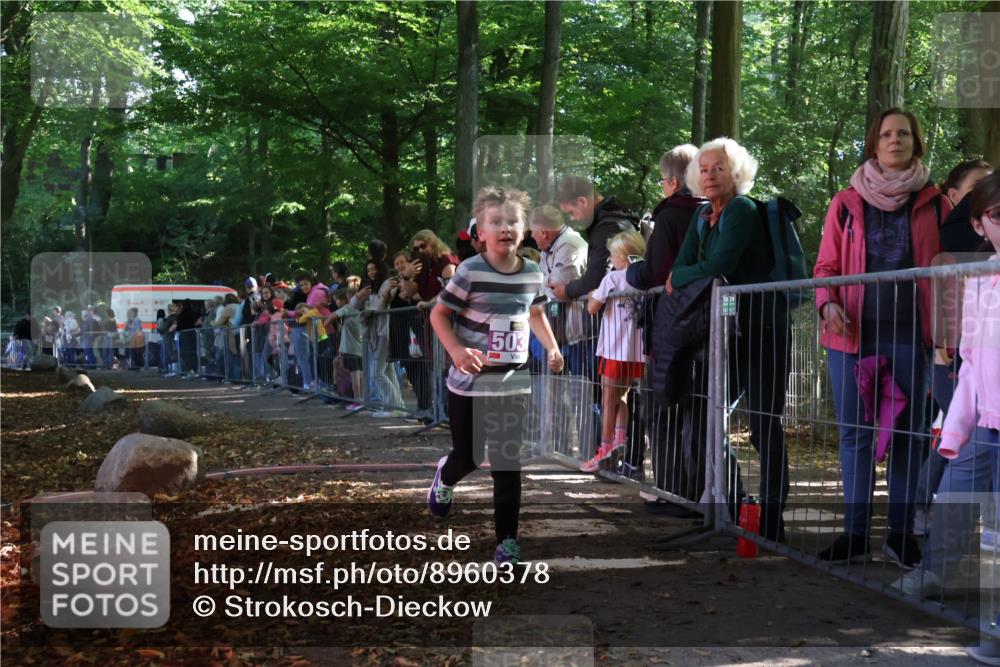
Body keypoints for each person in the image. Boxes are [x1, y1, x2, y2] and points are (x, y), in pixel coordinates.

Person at [813, 108, 951, 567]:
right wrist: (827, 304)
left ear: (917, 142)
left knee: (910, 435)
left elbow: (952, 272)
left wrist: (950, 334)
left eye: (904, 134)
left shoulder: (935, 203)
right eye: (887, 134)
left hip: (914, 337)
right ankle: (854, 534)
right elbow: (826, 268)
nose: (895, 140)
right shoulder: (846, 202)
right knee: (854, 434)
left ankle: (899, 535)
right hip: (852, 337)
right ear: (874, 144)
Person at [892, 176, 1000, 667]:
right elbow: (974, 364)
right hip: (984, 421)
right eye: (998, 216)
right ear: (979, 224)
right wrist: (954, 431)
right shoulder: (980, 282)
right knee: (955, 493)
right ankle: (935, 572)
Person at [426, 185, 564, 565]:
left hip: (512, 383)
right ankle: (446, 477)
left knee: (506, 463)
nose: (505, 228)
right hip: (469, 384)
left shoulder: (533, 272)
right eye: (495, 222)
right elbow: (439, 314)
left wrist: (552, 348)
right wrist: (456, 351)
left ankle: (507, 545)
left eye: (513, 221)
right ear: (480, 233)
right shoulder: (470, 271)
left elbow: (534, 314)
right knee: (468, 457)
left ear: (525, 229)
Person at [668, 137, 790, 542]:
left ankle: (772, 520)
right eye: (703, 169)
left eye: (718, 167)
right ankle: (736, 506)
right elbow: (685, 264)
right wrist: (685, 273)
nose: (709, 175)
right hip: (726, 334)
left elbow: (714, 266)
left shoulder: (741, 209)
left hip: (762, 329)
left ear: (735, 172)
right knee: (706, 416)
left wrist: (681, 276)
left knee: (763, 425)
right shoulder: (704, 216)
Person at [913, 158, 992, 535]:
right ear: (954, 196)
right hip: (953, 360)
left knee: (961, 440)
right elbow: (946, 304)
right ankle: (922, 510)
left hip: (976, 362)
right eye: (977, 187)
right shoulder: (954, 246)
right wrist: (948, 350)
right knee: (957, 438)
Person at [624, 144, 707, 499]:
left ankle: (670, 489)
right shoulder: (712, 210)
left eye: (661, 181)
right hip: (705, 321)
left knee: (663, 405)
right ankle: (696, 488)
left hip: (671, 322)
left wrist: (631, 271)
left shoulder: (671, 214)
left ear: (673, 182)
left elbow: (656, 271)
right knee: (699, 409)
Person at [581, 229, 647, 472]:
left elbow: (592, 307)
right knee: (623, 395)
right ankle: (619, 440)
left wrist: (592, 294)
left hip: (614, 347)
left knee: (608, 398)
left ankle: (605, 448)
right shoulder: (644, 277)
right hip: (635, 349)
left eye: (613, 255)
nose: (611, 259)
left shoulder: (613, 278)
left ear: (624, 256)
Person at [326, 288, 364, 410]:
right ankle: (360, 399)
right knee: (359, 374)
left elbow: (332, 316)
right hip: (359, 348)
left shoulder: (348, 308)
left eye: (337, 300)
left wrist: (325, 322)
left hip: (350, 348)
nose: (336, 303)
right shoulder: (360, 309)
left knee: (355, 376)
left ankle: (357, 401)